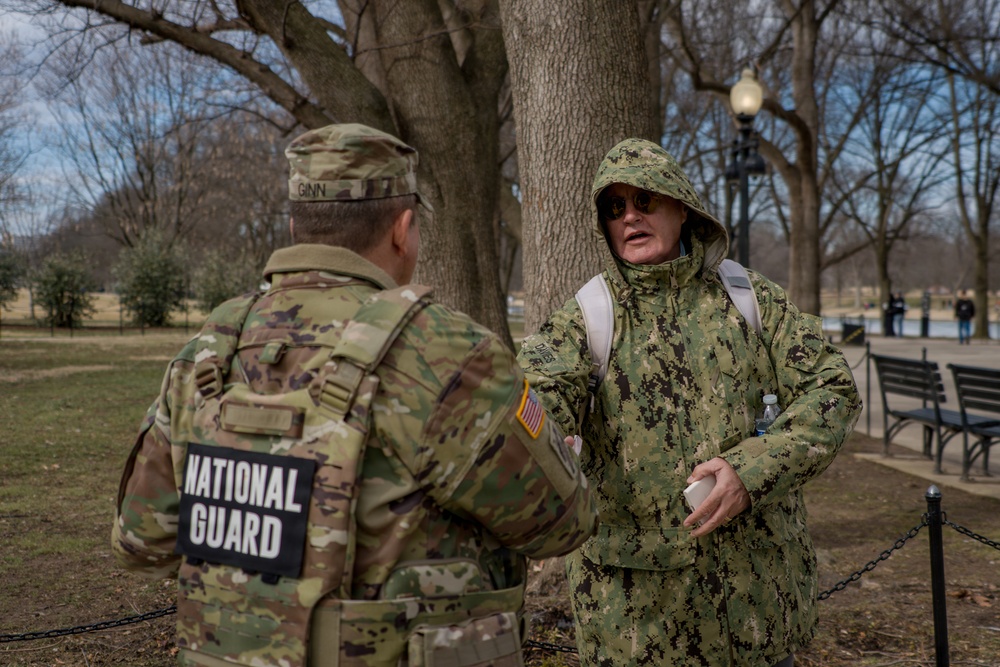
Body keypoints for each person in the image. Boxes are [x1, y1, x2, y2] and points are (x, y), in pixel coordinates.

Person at [111, 123, 599, 667]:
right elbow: (564, 521)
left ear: (298, 225)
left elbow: (140, 541)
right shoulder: (444, 353)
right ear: (403, 228)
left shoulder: (211, 346)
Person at [517, 138, 862, 667]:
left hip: (760, 614)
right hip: (641, 630)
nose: (629, 216)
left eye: (645, 201)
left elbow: (832, 388)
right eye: (615, 208)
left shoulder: (749, 297)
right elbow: (541, 387)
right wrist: (543, 441)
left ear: (682, 207)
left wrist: (752, 471)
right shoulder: (588, 317)